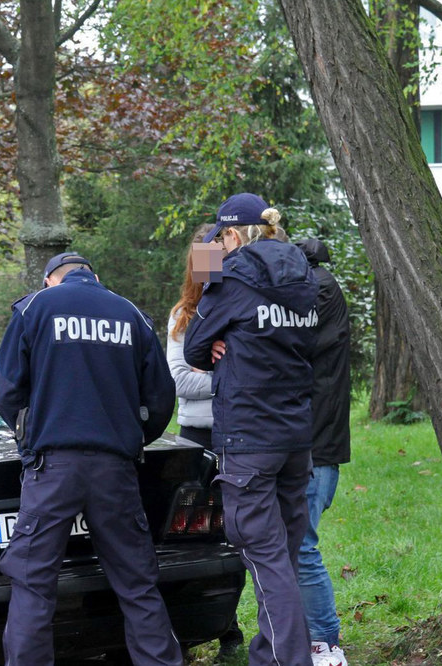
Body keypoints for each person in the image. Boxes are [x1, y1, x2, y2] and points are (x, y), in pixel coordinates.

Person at [0, 252, 181, 666]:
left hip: (52, 467)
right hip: (115, 467)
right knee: (137, 582)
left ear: (50, 281)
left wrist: (31, 437)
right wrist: (135, 438)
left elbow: (8, 391)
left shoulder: (33, 308)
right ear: (95, 277)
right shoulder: (130, 313)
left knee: (33, 582)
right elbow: (161, 396)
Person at [183, 193, 318, 666]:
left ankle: (284, 660)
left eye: (220, 237)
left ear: (234, 235)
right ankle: (274, 650)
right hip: (296, 438)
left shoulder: (234, 277)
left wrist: (221, 336)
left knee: (265, 557)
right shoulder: (304, 276)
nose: (216, 246)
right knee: (283, 555)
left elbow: (194, 346)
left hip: (249, 439)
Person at [166, 224, 245, 658]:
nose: (209, 263)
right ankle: (209, 625)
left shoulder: (240, 306)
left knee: (237, 531)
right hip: (196, 436)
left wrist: (215, 372)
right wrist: (223, 373)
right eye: (203, 255)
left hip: (236, 431)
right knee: (199, 535)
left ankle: (230, 626)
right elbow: (179, 379)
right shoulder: (182, 315)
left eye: (216, 252)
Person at [294, 238, 351, 666]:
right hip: (311, 444)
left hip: (314, 448)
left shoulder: (319, 289)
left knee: (301, 546)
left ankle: (325, 641)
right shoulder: (320, 285)